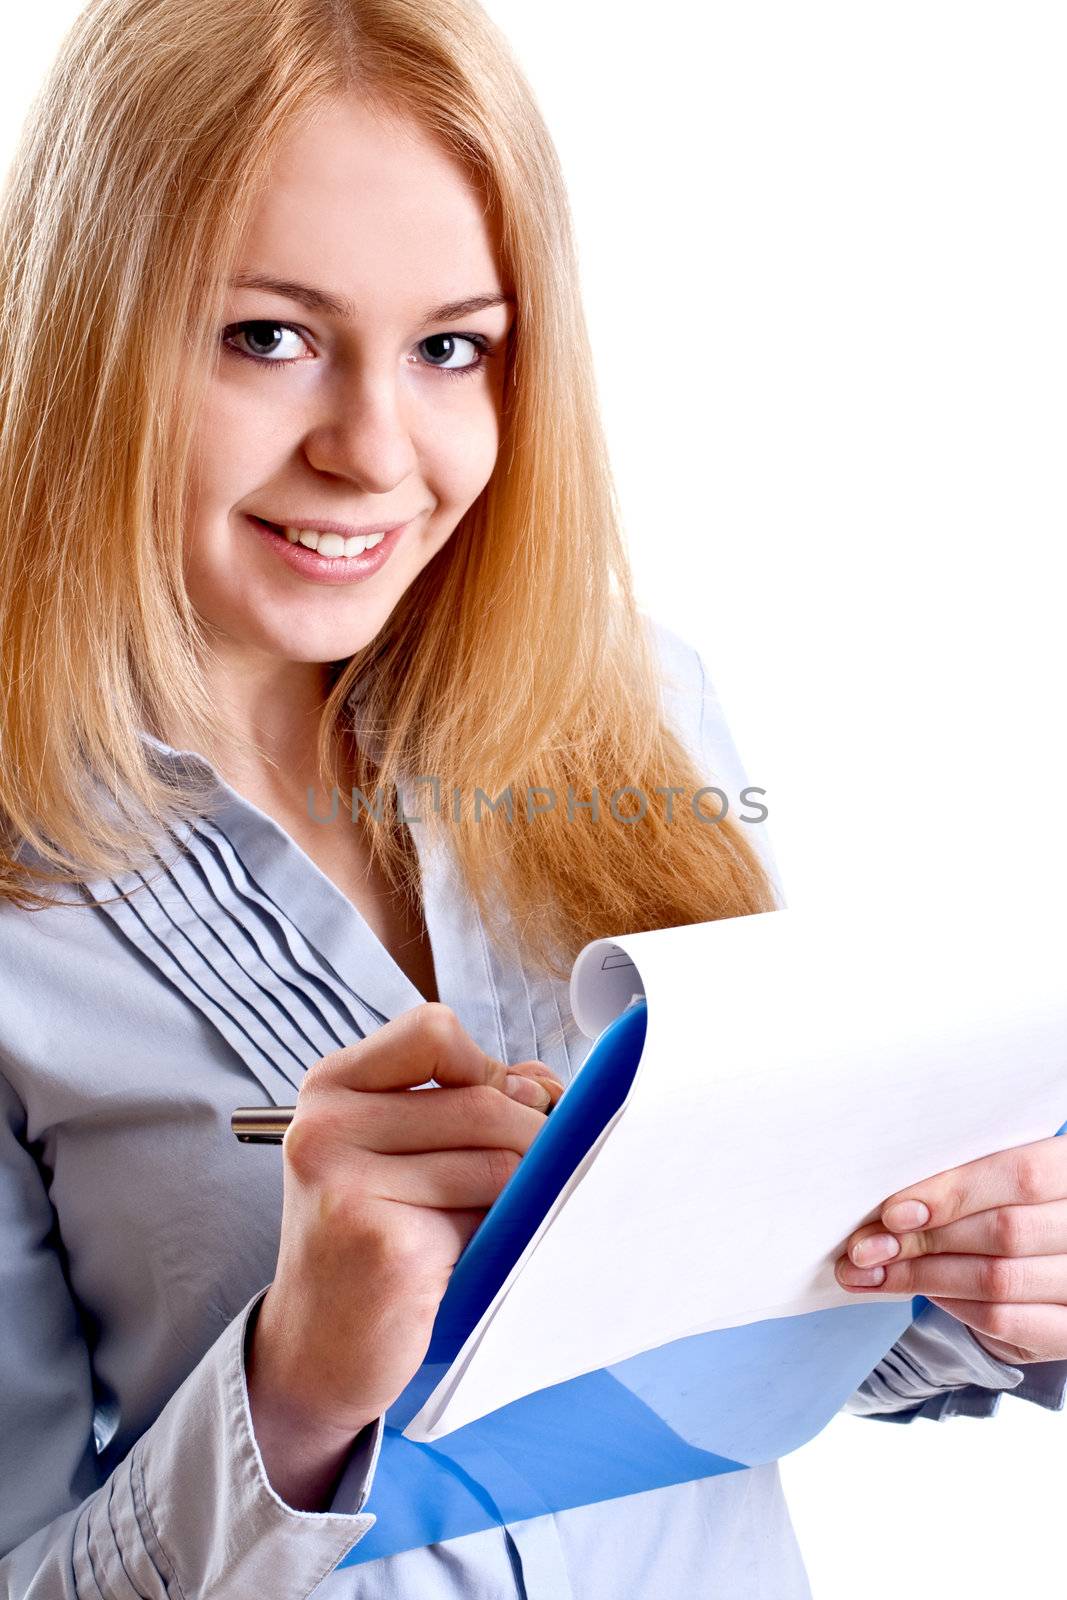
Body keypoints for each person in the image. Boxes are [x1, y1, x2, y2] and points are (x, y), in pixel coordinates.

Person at [1, 2, 1065, 1596]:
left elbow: (743, 1374)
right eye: (267, 336)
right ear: (87, 327)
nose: (376, 452)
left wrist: (975, 1278)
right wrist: (291, 1395)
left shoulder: (633, 705)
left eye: (453, 349)